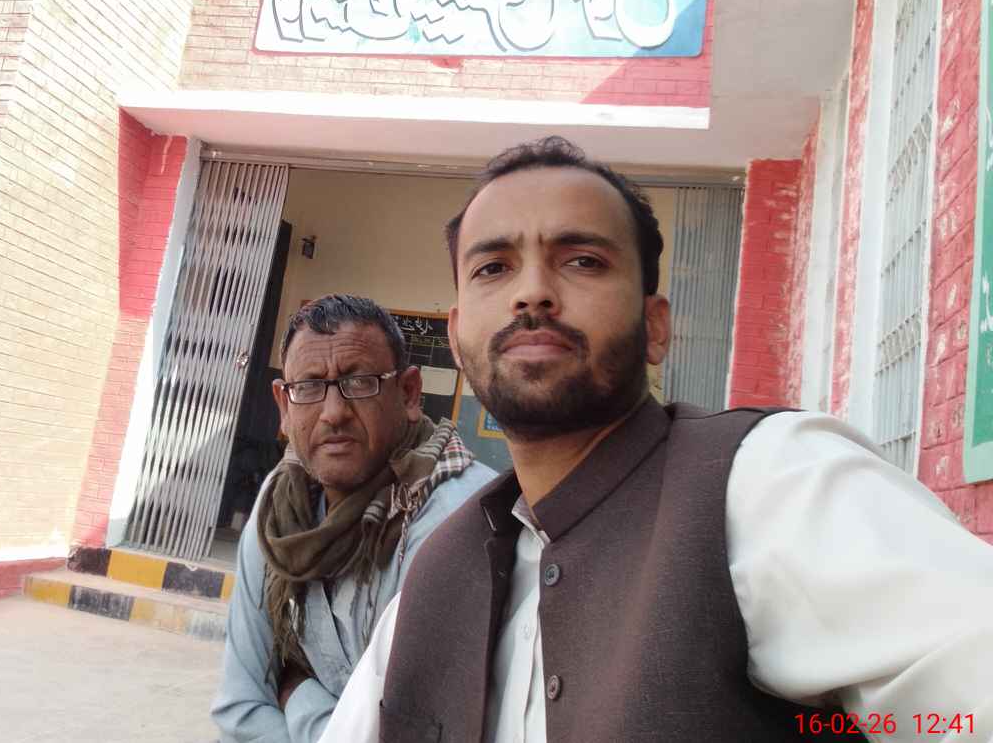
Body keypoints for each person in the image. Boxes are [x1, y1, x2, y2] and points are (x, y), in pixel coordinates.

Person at [318, 136, 993, 742]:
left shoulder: (768, 485)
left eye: (582, 260)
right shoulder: (437, 577)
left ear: (656, 326)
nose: (533, 293)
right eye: (494, 267)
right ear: (458, 335)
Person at [211, 294, 497, 742]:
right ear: (284, 406)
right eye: (309, 387)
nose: (333, 413)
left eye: (359, 382)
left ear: (408, 393)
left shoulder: (457, 519)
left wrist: (296, 692)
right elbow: (240, 708)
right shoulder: (278, 510)